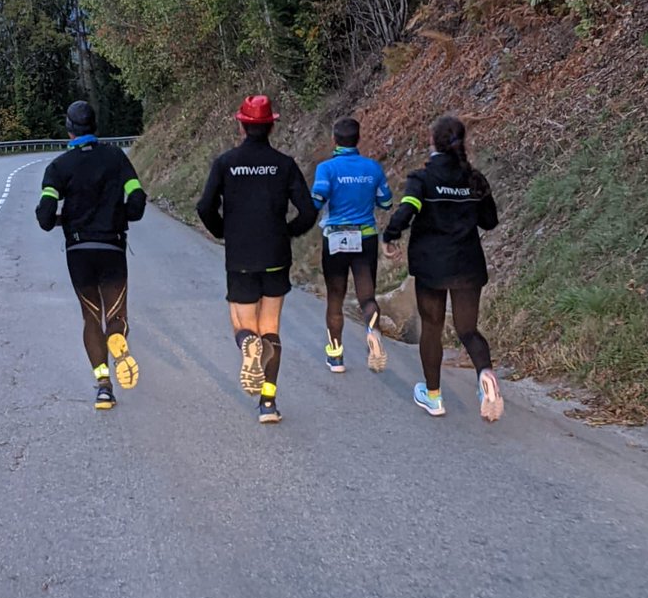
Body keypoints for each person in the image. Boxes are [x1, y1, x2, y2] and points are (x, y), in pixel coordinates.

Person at [196, 94, 316, 423]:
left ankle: (247, 345)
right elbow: (308, 211)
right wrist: (288, 232)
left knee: (243, 325)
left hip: (241, 256)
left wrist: (222, 231)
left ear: (242, 124)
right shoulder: (285, 164)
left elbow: (204, 206)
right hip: (276, 253)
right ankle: (268, 403)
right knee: (272, 329)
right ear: (271, 125)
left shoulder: (225, 163)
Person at [382, 115, 504, 422]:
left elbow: (407, 209)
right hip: (467, 266)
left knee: (432, 329)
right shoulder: (474, 179)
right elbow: (489, 222)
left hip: (432, 267)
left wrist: (390, 236)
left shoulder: (422, 179)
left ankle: (434, 397)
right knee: (468, 330)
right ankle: (485, 375)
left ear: (431, 142)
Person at [35, 100, 147, 411]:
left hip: (79, 250)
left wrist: (60, 218)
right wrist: (122, 214)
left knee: (90, 316)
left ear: (69, 129)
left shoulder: (58, 167)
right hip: (112, 246)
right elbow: (137, 197)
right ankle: (117, 339)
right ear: (95, 126)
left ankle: (103, 386)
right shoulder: (115, 157)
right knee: (116, 315)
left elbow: (45, 217)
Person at [311, 116, 393, 373]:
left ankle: (335, 355)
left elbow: (316, 201)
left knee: (335, 297)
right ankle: (373, 331)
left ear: (334, 140)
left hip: (335, 237)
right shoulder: (373, 168)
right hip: (366, 237)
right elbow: (387, 202)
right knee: (366, 296)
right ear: (358, 139)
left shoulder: (326, 169)